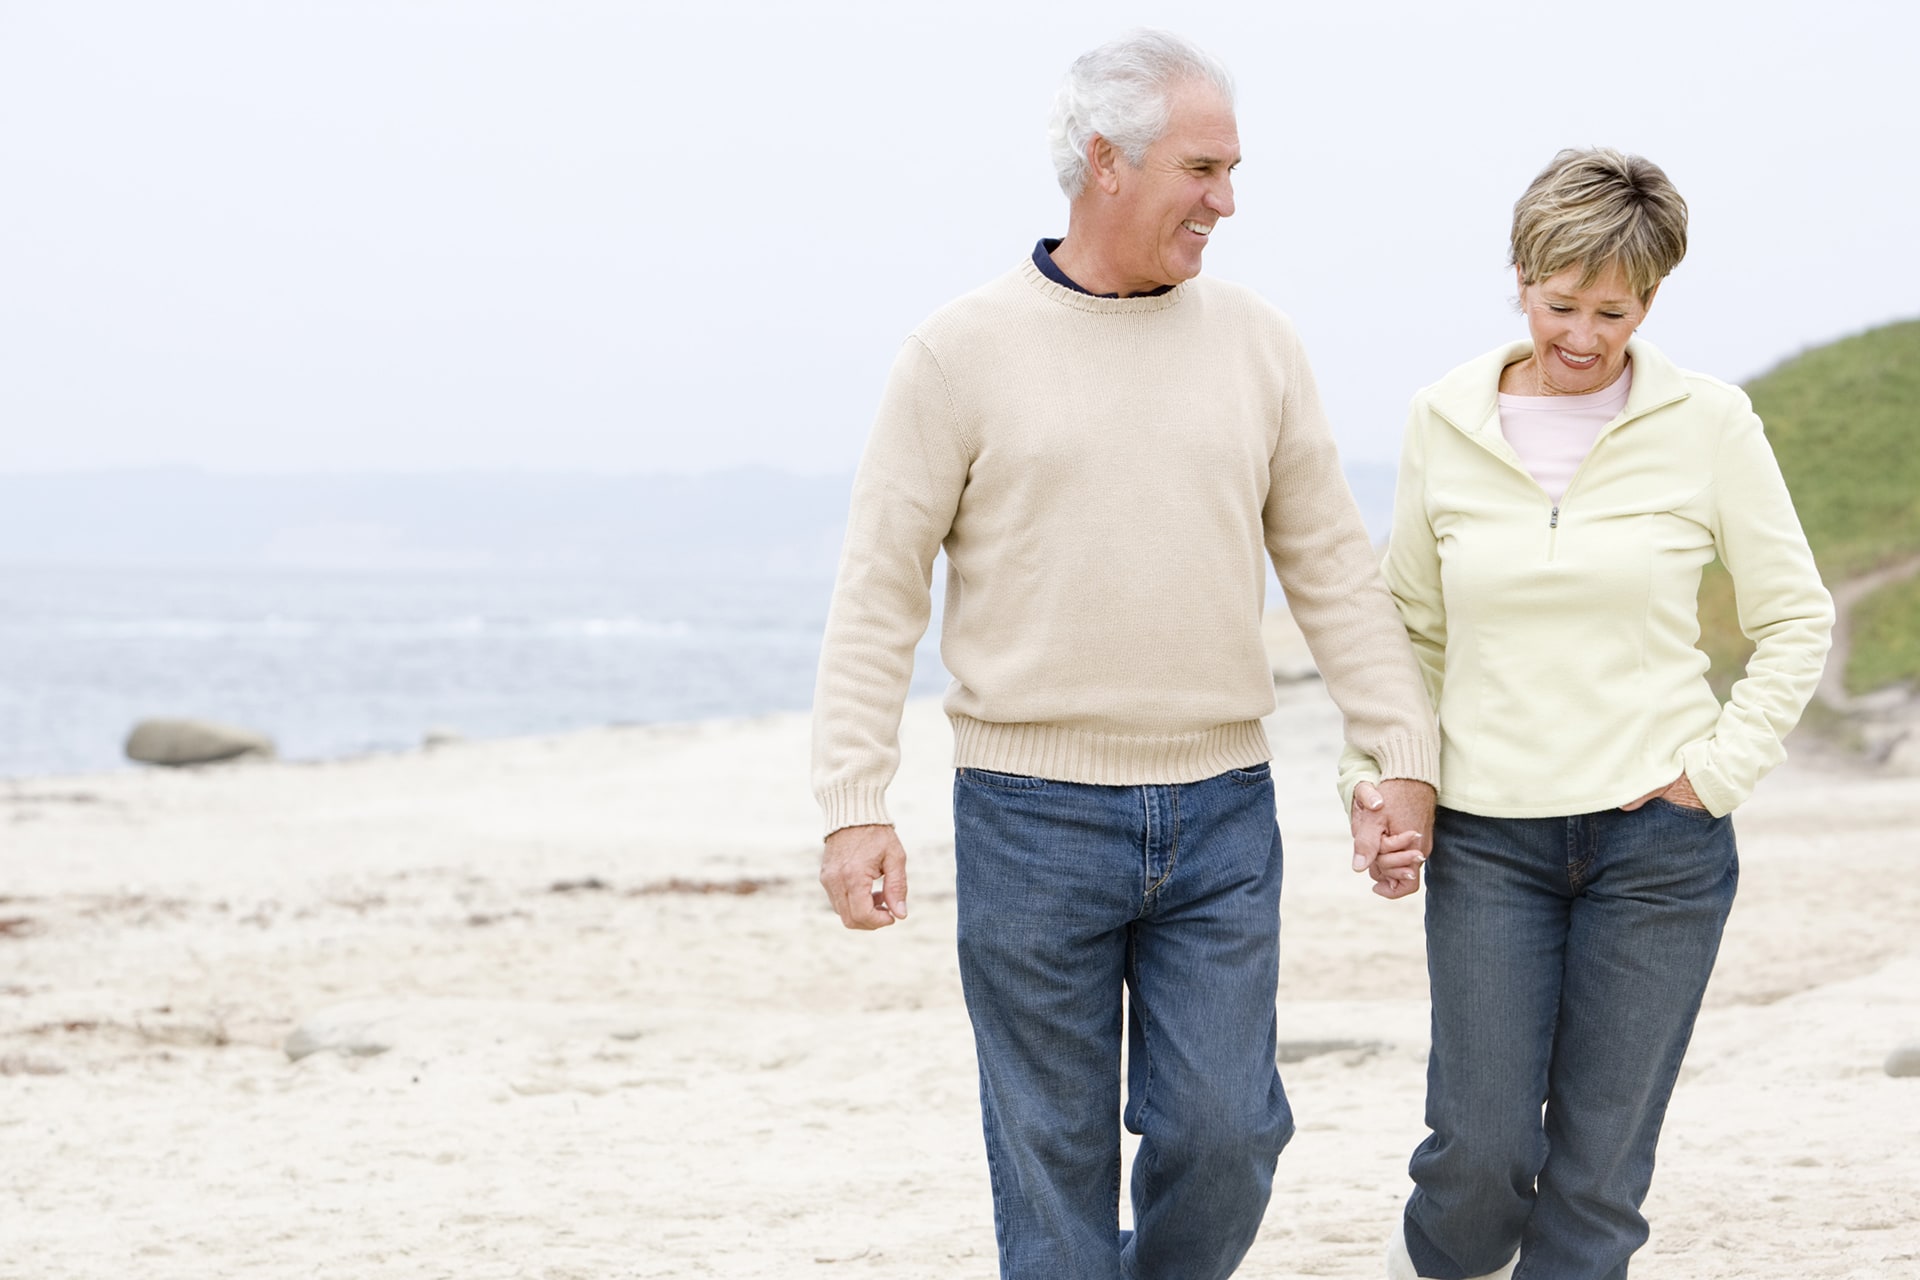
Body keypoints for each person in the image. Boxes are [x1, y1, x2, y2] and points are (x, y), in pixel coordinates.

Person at [811, 28, 1439, 1280]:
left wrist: (1401, 750)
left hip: (1220, 810)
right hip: (1027, 815)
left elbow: (1328, 561)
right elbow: (881, 584)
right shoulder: (959, 351)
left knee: (1230, 1129)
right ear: (1107, 161)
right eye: (1202, 169)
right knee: (1052, 1163)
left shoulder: (1259, 343)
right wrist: (852, 802)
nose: (1228, 200)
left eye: (1232, 169)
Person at [1340, 148, 1835, 1280]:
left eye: (1613, 310)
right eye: (1562, 304)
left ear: (1651, 299)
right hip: (1490, 841)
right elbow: (1405, 628)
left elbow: (1795, 619)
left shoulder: (1710, 422)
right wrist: (1373, 776)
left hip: (1658, 844)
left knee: (1599, 1175)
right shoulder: (1443, 418)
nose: (1583, 334)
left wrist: (1714, 775)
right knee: (1480, 1152)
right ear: (1521, 278)